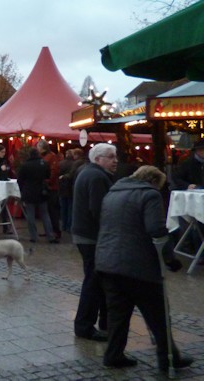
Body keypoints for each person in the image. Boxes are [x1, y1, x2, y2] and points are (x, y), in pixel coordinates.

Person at [95, 165, 193, 371]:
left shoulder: (111, 194)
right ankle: (168, 357)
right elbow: (156, 230)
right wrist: (170, 259)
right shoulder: (150, 195)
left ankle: (113, 354)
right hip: (138, 265)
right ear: (154, 181)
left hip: (108, 261)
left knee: (118, 314)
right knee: (158, 314)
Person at [72, 143, 117, 342]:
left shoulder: (89, 172)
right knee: (93, 281)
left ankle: (103, 322)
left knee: (98, 280)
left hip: (86, 235)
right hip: (92, 237)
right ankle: (84, 325)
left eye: (115, 156)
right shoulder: (97, 177)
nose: (115, 160)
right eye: (110, 157)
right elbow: (99, 210)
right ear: (98, 159)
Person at [17, 148, 57, 244]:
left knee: (30, 215)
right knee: (45, 214)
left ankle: (33, 236)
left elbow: (20, 180)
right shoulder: (44, 163)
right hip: (41, 192)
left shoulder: (25, 165)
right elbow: (48, 176)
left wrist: (22, 190)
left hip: (29, 192)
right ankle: (50, 236)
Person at [37, 139, 61, 240]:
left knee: (52, 210)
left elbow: (54, 172)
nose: (37, 149)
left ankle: (55, 231)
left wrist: (47, 181)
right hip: (45, 187)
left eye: (38, 147)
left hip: (51, 188)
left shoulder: (51, 156)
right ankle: (48, 230)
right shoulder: (42, 157)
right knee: (45, 210)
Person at [58, 149, 76, 233]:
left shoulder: (60, 164)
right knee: (70, 208)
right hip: (70, 189)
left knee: (63, 208)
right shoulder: (74, 164)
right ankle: (69, 226)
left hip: (62, 188)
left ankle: (63, 225)